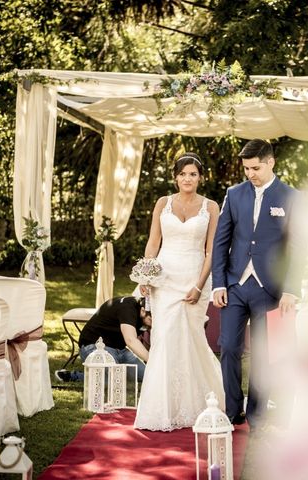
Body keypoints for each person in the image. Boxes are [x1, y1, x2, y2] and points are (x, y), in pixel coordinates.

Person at [212, 139, 301, 430]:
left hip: (270, 289)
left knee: (265, 353)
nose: (250, 173)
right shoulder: (233, 194)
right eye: (247, 168)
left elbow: (297, 247)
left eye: (256, 167)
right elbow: (221, 241)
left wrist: (290, 288)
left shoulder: (291, 197)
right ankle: (232, 409)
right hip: (235, 284)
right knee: (228, 347)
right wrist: (218, 283)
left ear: (270, 162)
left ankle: (258, 414)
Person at [134, 152, 225, 432]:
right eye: (183, 174)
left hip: (194, 276)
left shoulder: (211, 207)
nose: (188, 179)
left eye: (193, 174)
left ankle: (200, 402)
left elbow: (212, 250)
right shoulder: (163, 203)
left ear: (200, 178)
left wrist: (199, 285)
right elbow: (153, 243)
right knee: (164, 338)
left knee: (192, 337)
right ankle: (162, 408)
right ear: (175, 177)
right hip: (165, 277)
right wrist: (146, 274)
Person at [54, 295, 151, 382]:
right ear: (143, 311)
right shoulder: (127, 308)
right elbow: (131, 340)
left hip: (120, 350)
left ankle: (100, 373)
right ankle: (75, 376)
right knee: (114, 380)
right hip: (95, 347)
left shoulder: (145, 312)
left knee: (148, 376)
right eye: (151, 319)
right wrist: (152, 360)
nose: (153, 323)